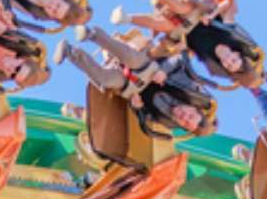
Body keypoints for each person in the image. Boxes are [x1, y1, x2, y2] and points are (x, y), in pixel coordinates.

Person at [59, 29, 217, 136]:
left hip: (133, 86)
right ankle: (92, 34)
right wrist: (163, 72)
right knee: (132, 59)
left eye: (185, 123)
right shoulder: (190, 89)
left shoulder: (166, 121)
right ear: (194, 108)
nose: (184, 117)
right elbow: (179, 61)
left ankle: (70, 52)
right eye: (190, 116)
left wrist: (137, 106)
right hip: (148, 68)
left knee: (106, 79)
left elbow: (145, 116)